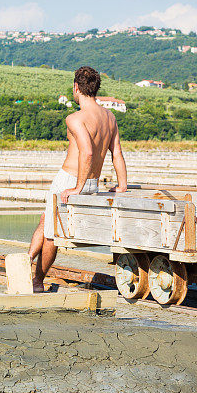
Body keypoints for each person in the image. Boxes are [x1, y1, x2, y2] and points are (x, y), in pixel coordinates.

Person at [28, 66, 127, 292]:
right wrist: (121, 185)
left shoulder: (75, 118)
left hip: (71, 180)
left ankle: (37, 281)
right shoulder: (109, 117)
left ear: (76, 88)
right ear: (96, 87)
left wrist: (76, 187)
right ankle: (27, 259)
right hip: (93, 182)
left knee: (52, 235)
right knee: (46, 220)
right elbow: (117, 153)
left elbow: (88, 152)